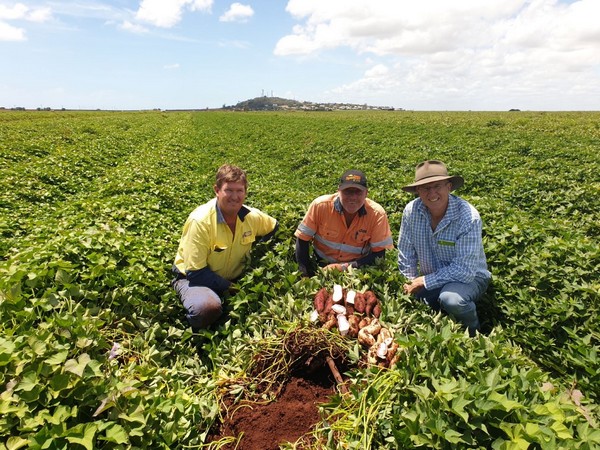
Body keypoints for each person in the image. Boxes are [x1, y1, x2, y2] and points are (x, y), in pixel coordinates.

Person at [172, 164, 278, 329]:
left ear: (245, 192)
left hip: (233, 278)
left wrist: (259, 254)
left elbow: (274, 227)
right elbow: (196, 273)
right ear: (217, 190)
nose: (234, 197)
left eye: (239, 191)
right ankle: (197, 333)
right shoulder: (200, 221)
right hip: (193, 278)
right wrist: (232, 288)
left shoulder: (251, 217)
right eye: (229, 190)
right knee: (207, 308)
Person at [397, 160, 491, 335]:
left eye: (437, 186)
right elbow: (406, 252)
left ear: (449, 187)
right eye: (425, 187)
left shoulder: (468, 217)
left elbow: (464, 270)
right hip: (434, 276)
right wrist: (410, 280)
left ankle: (473, 334)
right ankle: (441, 325)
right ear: (417, 191)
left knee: (451, 299)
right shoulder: (411, 211)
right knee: (411, 299)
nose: (432, 193)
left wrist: (423, 281)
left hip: (470, 278)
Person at [295, 169, 394, 277]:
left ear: (366, 193)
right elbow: (302, 240)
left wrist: (344, 267)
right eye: (347, 191)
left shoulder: (377, 215)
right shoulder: (320, 206)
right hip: (320, 265)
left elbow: (379, 254)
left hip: (357, 269)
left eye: (358, 192)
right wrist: (304, 273)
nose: (352, 197)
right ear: (338, 191)